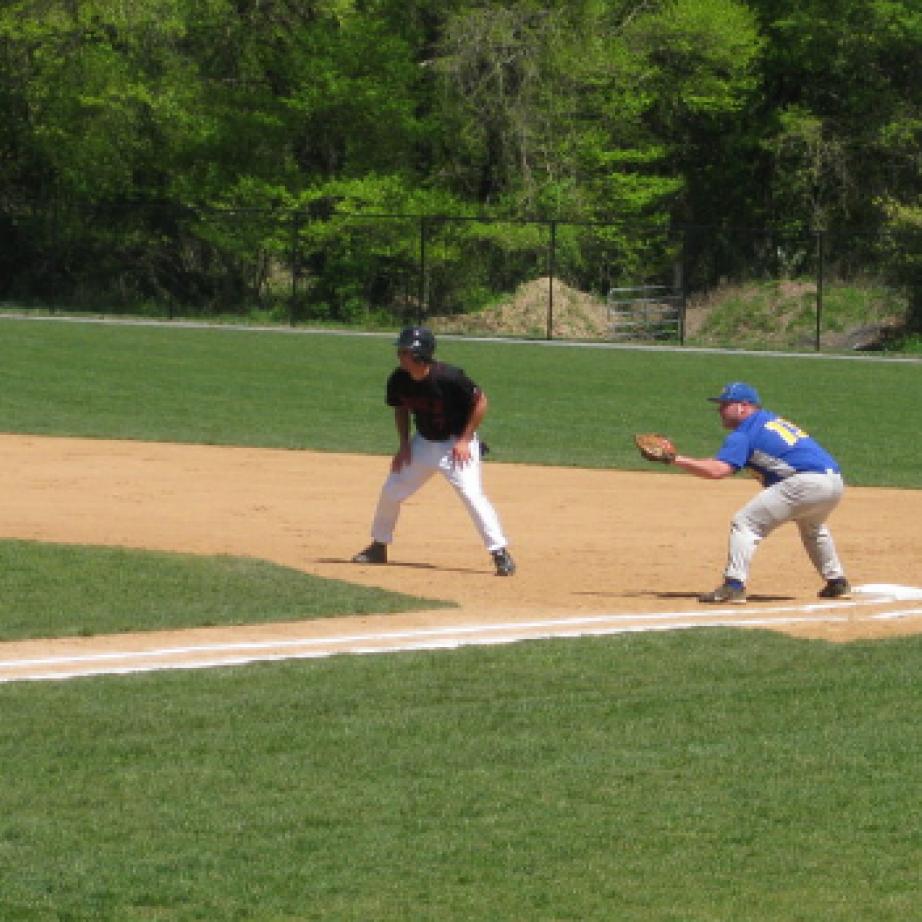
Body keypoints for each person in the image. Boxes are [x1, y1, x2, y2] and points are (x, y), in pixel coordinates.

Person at [352, 326, 515, 576]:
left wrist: (465, 439)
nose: (399, 355)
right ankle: (378, 546)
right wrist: (404, 446)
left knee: (472, 495)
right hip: (423, 443)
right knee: (391, 490)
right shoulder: (399, 378)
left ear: (420, 354)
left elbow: (481, 401)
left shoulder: (449, 377)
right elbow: (400, 408)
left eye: (404, 351)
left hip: (456, 445)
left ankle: (500, 553)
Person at [670, 381, 849, 604]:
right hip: (834, 482)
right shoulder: (769, 421)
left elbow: (718, 470)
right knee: (813, 527)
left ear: (743, 406)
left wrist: (675, 459)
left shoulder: (744, 433)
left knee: (745, 522)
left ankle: (733, 585)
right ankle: (836, 581)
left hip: (806, 482)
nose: (719, 410)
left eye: (725, 405)